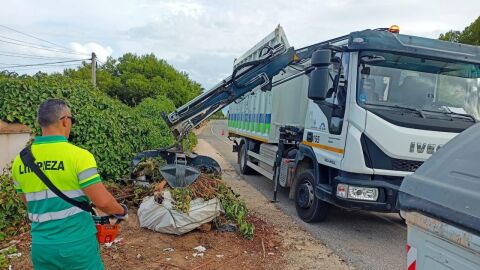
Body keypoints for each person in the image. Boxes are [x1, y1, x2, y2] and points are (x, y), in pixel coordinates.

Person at [11, 99, 127, 270]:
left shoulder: (20, 161)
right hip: (77, 245)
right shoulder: (79, 156)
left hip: (41, 247)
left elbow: (28, 203)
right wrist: (121, 211)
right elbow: (103, 202)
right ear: (65, 120)